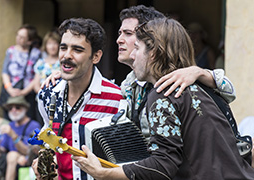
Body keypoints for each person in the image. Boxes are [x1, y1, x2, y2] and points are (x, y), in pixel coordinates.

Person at [72, 17, 254, 180]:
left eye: (137, 47)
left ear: (154, 53)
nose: (132, 55)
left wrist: (105, 174)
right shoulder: (205, 84)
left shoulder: (163, 95)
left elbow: (163, 165)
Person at [43, 5, 236, 140]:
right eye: (119, 33)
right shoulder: (129, 83)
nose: (119, 40)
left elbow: (229, 93)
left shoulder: (182, 76)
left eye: (127, 34)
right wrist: (73, 77)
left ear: (151, 38)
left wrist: (200, 73)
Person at [32, 18, 123, 180]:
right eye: (63, 47)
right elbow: (48, 138)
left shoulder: (116, 98)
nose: (67, 55)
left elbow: (125, 160)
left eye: (77, 50)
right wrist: (43, 159)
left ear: (95, 57)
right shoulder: (47, 94)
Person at [0, 96, 41, 180]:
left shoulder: (33, 125)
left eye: (17, 107)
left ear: (25, 109)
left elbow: (28, 151)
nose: (13, 110)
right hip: (9, 161)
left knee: (12, 155)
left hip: (26, 160)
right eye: (10, 108)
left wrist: (13, 135)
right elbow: (3, 149)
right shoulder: (10, 125)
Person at [0, 24, 42, 121]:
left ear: (29, 41)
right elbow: (5, 71)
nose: (18, 38)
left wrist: (24, 92)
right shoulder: (11, 51)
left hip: (27, 93)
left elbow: (37, 75)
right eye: (18, 35)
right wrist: (9, 88)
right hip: (10, 91)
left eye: (22, 37)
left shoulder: (36, 53)